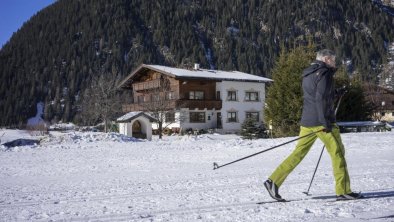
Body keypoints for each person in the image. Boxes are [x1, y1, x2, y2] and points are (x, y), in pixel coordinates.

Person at [264, 49, 363, 201]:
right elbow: (321, 99)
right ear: (326, 58)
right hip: (322, 122)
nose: (334, 61)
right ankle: (343, 190)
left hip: (307, 121)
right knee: (338, 154)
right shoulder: (325, 73)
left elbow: (316, 95)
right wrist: (325, 123)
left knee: (298, 154)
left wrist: (336, 93)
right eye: (332, 59)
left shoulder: (309, 73)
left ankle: (274, 181)